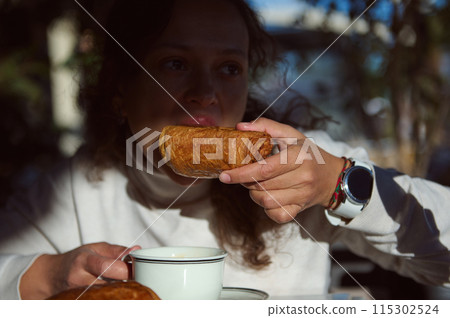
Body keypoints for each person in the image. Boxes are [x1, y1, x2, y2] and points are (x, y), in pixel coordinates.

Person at [1, 0, 449, 300]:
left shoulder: (304, 165)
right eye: (175, 64)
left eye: (229, 68)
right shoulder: (71, 187)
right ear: (120, 88)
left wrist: (340, 185)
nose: (205, 92)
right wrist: (47, 276)